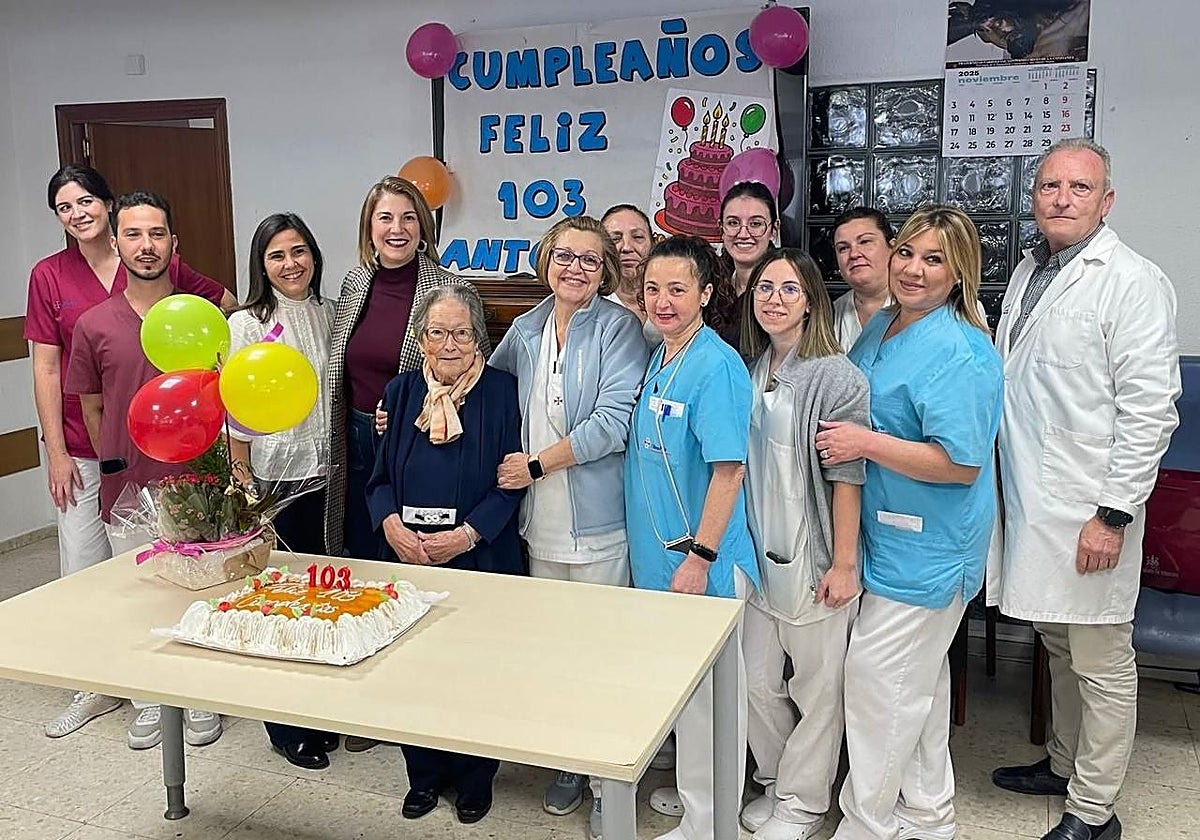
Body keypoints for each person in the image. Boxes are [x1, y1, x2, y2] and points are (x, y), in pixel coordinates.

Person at [989, 139, 1179, 840]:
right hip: (1035, 505)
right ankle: (1065, 764)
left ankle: (1093, 811)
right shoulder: (1030, 273)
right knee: (1061, 648)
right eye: (1048, 186)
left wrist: (1113, 513)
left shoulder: (1131, 281)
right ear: (1033, 197)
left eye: (1078, 187)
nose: (1061, 198)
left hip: (1090, 511)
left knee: (1101, 661)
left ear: (1107, 200)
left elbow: (1151, 408)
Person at [24, 165, 234, 738]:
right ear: (119, 240)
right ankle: (121, 690)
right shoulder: (73, 299)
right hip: (106, 457)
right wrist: (84, 453)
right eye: (64, 206)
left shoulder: (187, 301)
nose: (146, 244)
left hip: (188, 466)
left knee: (194, 574)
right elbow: (68, 385)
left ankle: (196, 693)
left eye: (86, 200)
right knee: (113, 576)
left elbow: (231, 324)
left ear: (172, 242)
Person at [815, 206, 1003, 840]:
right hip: (886, 534)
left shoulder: (962, 351)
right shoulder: (884, 327)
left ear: (959, 274)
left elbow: (960, 464)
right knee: (914, 684)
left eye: (934, 260)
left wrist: (863, 443)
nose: (914, 270)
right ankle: (927, 814)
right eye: (907, 254)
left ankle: (866, 824)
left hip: (931, 545)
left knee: (876, 682)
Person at [489, 216, 648, 838]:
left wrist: (534, 465)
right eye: (565, 255)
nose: (575, 268)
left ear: (605, 269)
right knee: (554, 652)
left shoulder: (620, 328)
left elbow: (614, 424)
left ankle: (614, 781)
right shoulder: (525, 329)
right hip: (538, 522)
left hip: (599, 519)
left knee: (604, 654)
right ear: (545, 259)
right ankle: (569, 765)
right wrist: (420, 403)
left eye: (589, 259)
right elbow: (488, 395)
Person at [365, 283, 524, 826]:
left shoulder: (504, 392)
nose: (449, 344)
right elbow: (379, 478)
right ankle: (424, 776)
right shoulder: (401, 393)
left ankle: (476, 779)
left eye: (461, 333)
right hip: (410, 559)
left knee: (479, 671)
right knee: (416, 669)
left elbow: (512, 481)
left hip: (483, 555)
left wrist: (467, 535)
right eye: (438, 333)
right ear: (421, 339)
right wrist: (392, 528)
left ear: (479, 338)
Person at [624, 234, 759, 840]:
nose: (662, 300)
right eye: (653, 289)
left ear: (706, 293)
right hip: (663, 557)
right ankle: (695, 802)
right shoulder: (663, 355)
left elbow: (729, 470)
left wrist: (701, 557)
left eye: (678, 289)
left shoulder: (717, 365)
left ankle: (711, 824)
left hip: (700, 561)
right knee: (685, 694)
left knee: (711, 702)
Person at [738, 249, 869, 840]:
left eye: (789, 289)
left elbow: (847, 480)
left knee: (818, 690)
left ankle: (804, 803)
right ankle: (774, 779)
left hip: (815, 557)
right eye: (766, 287)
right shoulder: (752, 367)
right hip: (757, 555)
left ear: (812, 300)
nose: (774, 299)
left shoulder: (836, 376)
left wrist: (843, 564)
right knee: (757, 681)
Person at [226, 212, 338, 771]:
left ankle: (317, 711)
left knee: (322, 599)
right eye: (277, 255)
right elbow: (236, 411)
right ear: (261, 265)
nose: (290, 264)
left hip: (328, 478)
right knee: (280, 604)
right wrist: (246, 484)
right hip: (273, 484)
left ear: (314, 255)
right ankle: (285, 724)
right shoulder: (247, 323)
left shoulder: (331, 314)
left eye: (299, 251)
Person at [710, 181, 779, 349]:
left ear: (774, 230)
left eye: (755, 224)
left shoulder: (789, 287)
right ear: (721, 228)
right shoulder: (711, 281)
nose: (743, 234)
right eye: (733, 223)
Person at [830, 208, 895, 353]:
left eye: (865, 242)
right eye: (843, 248)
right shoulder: (830, 316)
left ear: (892, 247)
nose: (854, 254)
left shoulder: (918, 311)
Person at [600, 203, 662, 346]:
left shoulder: (670, 299)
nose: (627, 247)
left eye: (638, 237)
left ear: (653, 243)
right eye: (615, 239)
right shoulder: (591, 306)